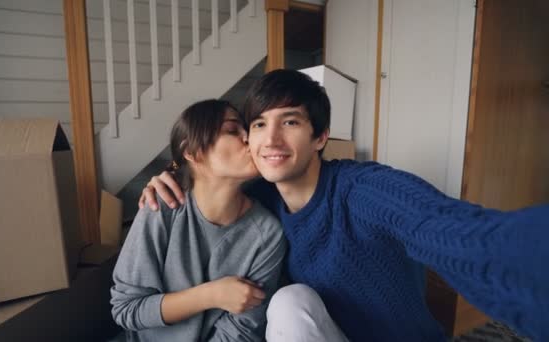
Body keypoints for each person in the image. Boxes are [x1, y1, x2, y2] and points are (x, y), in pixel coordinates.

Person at [140, 69, 549, 342]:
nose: (272, 139)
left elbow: (452, 230)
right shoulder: (262, 198)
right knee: (288, 303)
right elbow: (212, 182)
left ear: (320, 137)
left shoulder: (362, 190)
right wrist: (170, 179)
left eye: (291, 122)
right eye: (260, 124)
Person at [111, 99, 287, 341]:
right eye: (232, 130)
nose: (250, 138)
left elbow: (242, 332)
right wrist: (212, 295)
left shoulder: (267, 234)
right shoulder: (161, 206)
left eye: (250, 129)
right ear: (193, 152)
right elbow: (126, 309)